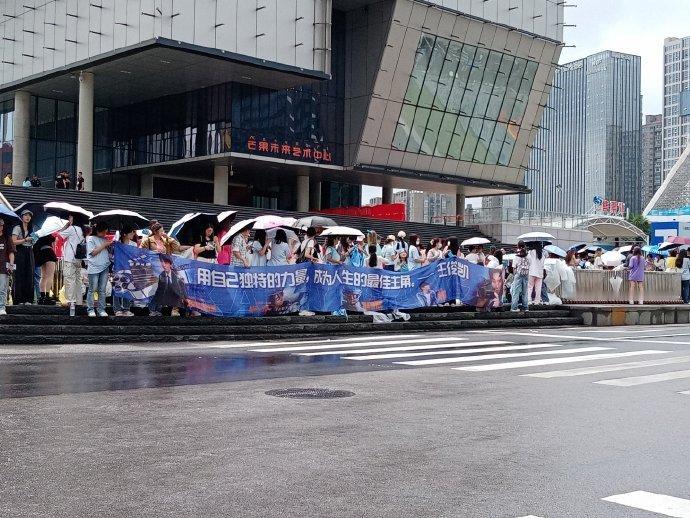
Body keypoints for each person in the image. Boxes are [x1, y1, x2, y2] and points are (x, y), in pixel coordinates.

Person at [58, 215, 85, 308]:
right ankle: (79, 301)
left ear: (74, 218)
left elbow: (59, 235)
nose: (69, 219)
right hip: (78, 258)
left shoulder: (72, 228)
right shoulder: (82, 230)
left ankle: (70, 301)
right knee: (78, 280)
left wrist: (65, 226)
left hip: (70, 258)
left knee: (69, 279)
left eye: (70, 217)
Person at [86, 222, 111, 317]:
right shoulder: (90, 239)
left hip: (105, 266)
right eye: (104, 231)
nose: (105, 233)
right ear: (98, 230)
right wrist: (104, 245)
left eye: (106, 231)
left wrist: (108, 246)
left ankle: (101, 309)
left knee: (102, 290)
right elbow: (92, 252)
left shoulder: (105, 239)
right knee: (92, 289)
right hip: (94, 267)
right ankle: (90, 309)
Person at [11, 209, 35, 304]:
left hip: (29, 251)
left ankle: (28, 299)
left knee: (29, 275)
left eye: (29, 215)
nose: (28, 217)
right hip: (19, 251)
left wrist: (33, 240)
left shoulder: (32, 228)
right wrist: (25, 240)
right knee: (19, 274)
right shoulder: (17, 228)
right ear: (21, 217)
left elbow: (33, 242)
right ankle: (18, 299)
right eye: (25, 215)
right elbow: (13, 241)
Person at [113, 226, 137, 316]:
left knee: (128, 288)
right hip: (118, 269)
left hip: (129, 269)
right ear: (124, 234)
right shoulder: (117, 244)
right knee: (117, 289)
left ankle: (126, 308)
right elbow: (112, 256)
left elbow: (135, 257)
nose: (133, 234)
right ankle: (117, 309)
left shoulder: (133, 244)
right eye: (131, 232)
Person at [34, 234, 58, 305]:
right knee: (50, 276)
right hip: (49, 253)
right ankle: (47, 297)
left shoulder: (38, 234)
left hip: (41, 254)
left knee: (43, 276)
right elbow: (53, 239)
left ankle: (42, 297)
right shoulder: (48, 234)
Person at [0, 219, 16, 315]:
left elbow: (11, 252)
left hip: (3, 267)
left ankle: (1, 307)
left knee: (2, 288)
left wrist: (11, 264)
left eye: (1, 225)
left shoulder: (7, 238)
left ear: (3, 226)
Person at [510, 240, 530, 312]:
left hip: (518, 275)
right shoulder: (528, 255)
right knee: (525, 292)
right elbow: (530, 264)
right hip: (526, 274)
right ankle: (525, 307)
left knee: (516, 291)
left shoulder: (516, 256)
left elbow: (514, 267)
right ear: (524, 246)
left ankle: (514, 307)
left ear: (518, 246)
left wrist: (514, 275)